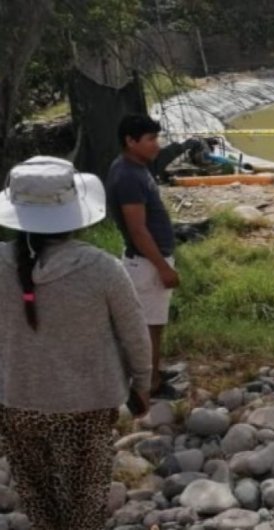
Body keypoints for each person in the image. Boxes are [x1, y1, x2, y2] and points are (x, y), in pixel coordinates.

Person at [0, 156, 152, 530]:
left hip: (16, 400)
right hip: (88, 404)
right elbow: (135, 335)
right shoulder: (101, 268)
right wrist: (142, 386)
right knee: (84, 505)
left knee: (39, 501)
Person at [107, 114, 181, 400]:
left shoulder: (133, 168)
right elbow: (138, 230)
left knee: (153, 323)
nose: (157, 146)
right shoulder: (127, 176)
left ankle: (153, 372)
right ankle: (150, 384)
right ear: (130, 141)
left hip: (147, 261)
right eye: (150, 139)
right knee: (150, 326)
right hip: (148, 264)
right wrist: (163, 267)